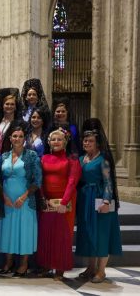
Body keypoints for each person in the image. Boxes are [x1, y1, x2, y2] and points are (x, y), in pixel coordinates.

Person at [75, 119, 122, 283]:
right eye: (85, 140)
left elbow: (108, 182)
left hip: (100, 200)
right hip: (85, 199)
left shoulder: (103, 160)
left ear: (97, 143)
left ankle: (101, 271)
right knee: (88, 233)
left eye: (90, 141)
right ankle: (90, 268)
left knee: (101, 235)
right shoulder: (81, 159)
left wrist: (106, 202)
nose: (87, 143)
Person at [36, 128, 82, 280]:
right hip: (47, 202)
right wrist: (43, 198)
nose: (56, 142)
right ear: (49, 142)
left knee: (62, 236)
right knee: (46, 234)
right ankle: (46, 265)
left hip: (65, 202)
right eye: (53, 139)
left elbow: (72, 181)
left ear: (65, 142)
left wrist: (64, 201)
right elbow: (40, 180)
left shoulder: (72, 159)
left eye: (59, 139)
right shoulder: (44, 158)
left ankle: (60, 268)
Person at [0, 123, 41, 277]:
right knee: (8, 230)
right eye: (14, 136)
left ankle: (23, 263)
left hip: (25, 201)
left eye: (20, 136)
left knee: (25, 231)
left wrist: (24, 196)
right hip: (7, 200)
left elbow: (38, 180)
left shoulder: (32, 156)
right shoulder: (4, 156)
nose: (17, 138)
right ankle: (8, 262)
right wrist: (4, 196)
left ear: (24, 139)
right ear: (10, 138)